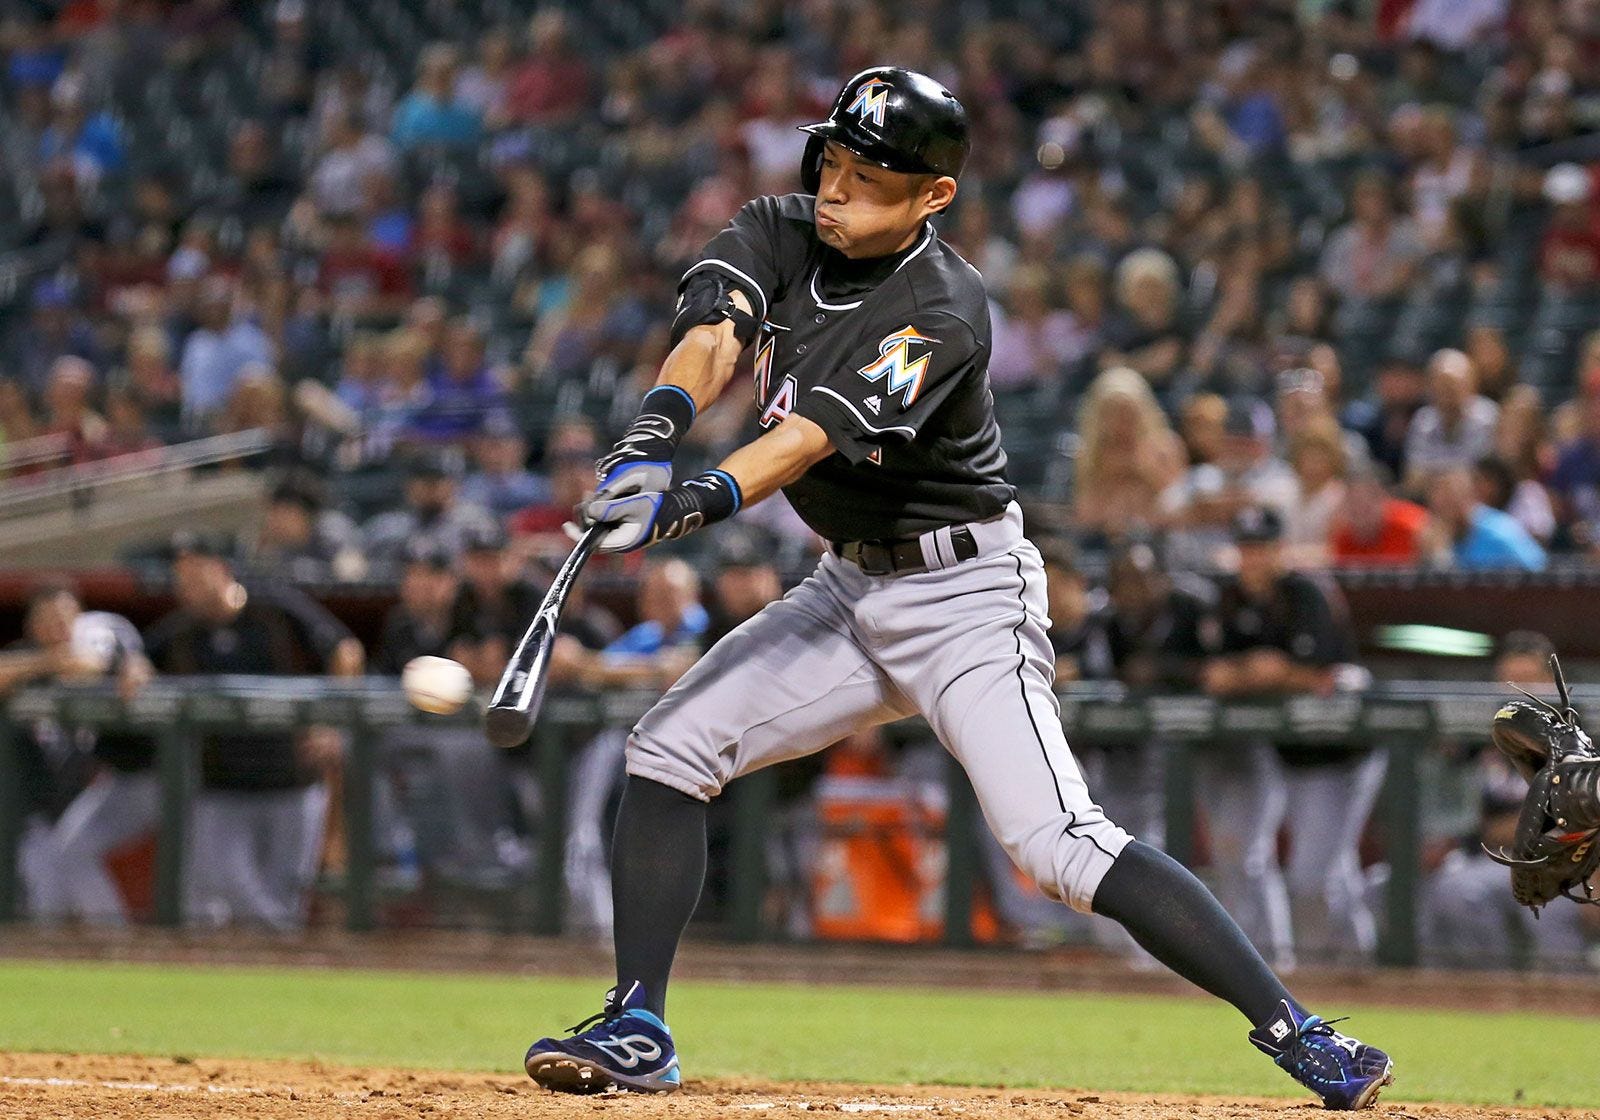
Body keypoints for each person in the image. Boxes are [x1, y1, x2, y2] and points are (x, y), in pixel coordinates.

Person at [521, 67, 1392, 1109]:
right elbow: (715, 335)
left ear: (933, 193)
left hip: (966, 599)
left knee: (1060, 847)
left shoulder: (942, 303)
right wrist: (654, 435)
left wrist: (691, 501)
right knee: (668, 750)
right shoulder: (778, 228)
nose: (837, 188)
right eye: (833, 161)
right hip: (846, 588)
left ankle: (1303, 1033)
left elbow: (807, 437)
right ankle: (638, 1024)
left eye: (870, 175)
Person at [145, 532, 364, 931]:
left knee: (286, 899)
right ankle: (288, 948)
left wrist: (331, 722)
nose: (185, 588)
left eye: (194, 575)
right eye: (180, 579)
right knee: (228, 886)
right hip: (222, 789)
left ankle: (285, 952)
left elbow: (345, 651)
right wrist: (133, 668)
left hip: (293, 781)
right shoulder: (179, 633)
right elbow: (137, 662)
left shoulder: (273, 609)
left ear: (221, 570)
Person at [1197, 508, 1384, 970]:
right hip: (1292, 757)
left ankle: (1325, 970)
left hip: (1344, 753)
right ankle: (1358, 966)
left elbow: (1317, 675)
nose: (1253, 558)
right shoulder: (1233, 600)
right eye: (1246, 548)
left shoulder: (1306, 594)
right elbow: (1218, 676)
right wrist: (1262, 672)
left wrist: (1267, 673)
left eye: (1262, 548)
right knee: (1327, 873)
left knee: (1311, 877)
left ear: (1280, 551)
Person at [0, 582, 150, 924]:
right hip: (31, 811)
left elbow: (128, 667)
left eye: (66, 617)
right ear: (31, 625)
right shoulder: (25, 659)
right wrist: (49, 662)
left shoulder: (100, 651)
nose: (59, 627)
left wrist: (128, 666)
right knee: (44, 893)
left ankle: (115, 942)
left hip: (95, 794)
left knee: (69, 859)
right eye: (48, 618)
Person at [1420, 465, 1546, 571]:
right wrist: (1439, 555)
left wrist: (1440, 555)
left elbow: (1539, 573)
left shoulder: (1498, 533)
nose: (1441, 504)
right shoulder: (1437, 535)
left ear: (1469, 495)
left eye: (1449, 497)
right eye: (1437, 496)